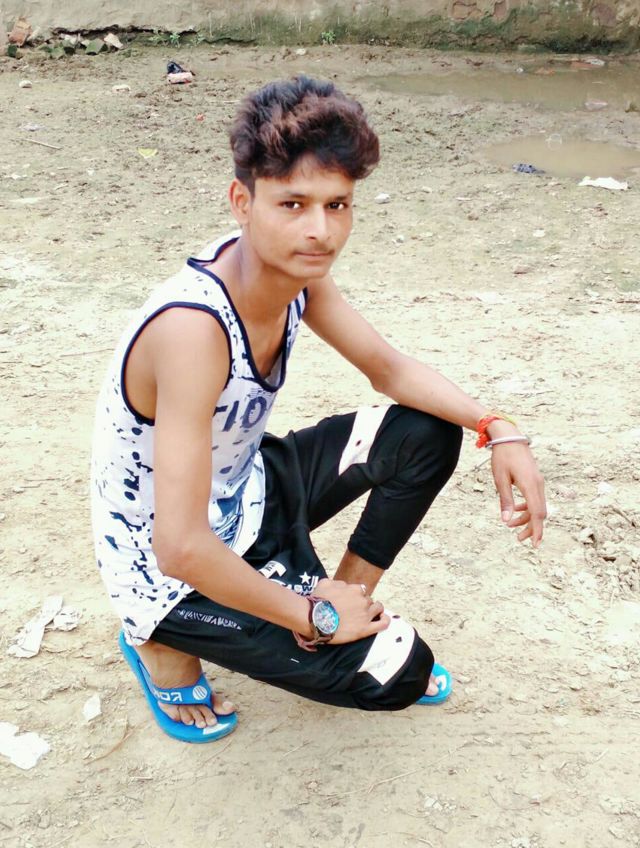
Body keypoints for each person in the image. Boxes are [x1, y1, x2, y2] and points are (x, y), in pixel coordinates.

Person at [91, 75, 546, 743]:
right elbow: (180, 545)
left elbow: (389, 369)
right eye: (293, 204)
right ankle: (157, 642)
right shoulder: (192, 330)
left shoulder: (295, 275)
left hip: (250, 493)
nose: (319, 230)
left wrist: (497, 428)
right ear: (242, 202)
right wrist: (311, 618)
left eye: (337, 205)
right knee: (396, 673)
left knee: (427, 432)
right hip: (167, 567)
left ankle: (345, 598)